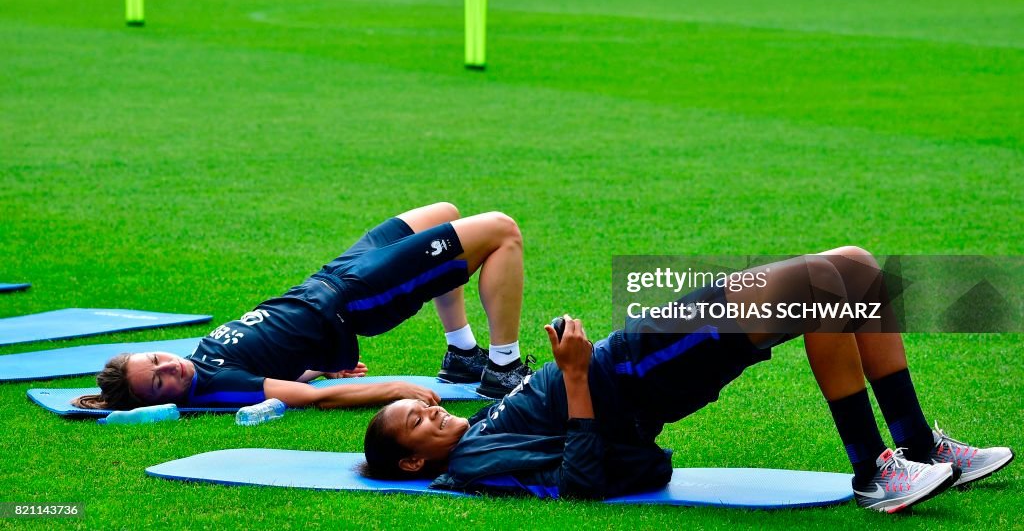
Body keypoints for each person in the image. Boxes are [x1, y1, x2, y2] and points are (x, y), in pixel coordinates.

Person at [362, 247, 1014, 514]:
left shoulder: (474, 429)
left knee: (857, 268)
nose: (426, 409)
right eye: (415, 422)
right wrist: (577, 372)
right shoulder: (474, 461)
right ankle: (874, 469)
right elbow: (580, 480)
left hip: (640, 347)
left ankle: (920, 446)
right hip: (642, 370)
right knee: (819, 291)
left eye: (415, 407)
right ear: (414, 458)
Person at [74, 202, 535, 411]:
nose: (169, 369)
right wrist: (391, 388)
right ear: (158, 402)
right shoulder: (215, 387)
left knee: (443, 213)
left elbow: (276, 362)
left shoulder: (200, 360)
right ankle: (503, 368)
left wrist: (318, 364)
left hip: (332, 275)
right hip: (356, 297)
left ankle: (461, 355)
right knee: (501, 230)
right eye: (157, 384)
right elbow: (307, 398)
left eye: (156, 360)